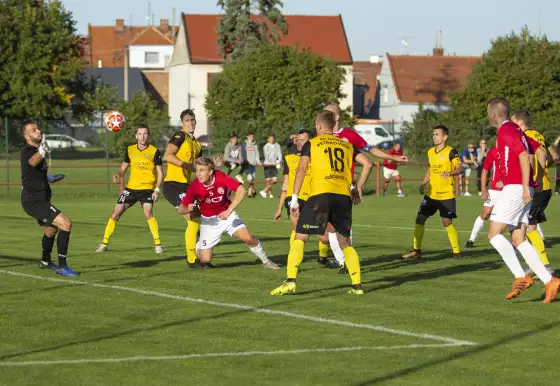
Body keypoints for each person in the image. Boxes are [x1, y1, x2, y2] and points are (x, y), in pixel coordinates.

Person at [271, 110, 373, 295]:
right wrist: (357, 188)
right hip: (343, 197)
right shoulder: (346, 145)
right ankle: (357, 286)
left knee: (300, 236)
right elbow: (368, 163)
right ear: (333, 125)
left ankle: (290, 280)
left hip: (320, 194)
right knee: (345, 242)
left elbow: (301, 170)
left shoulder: (313, 143)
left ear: (318, 126)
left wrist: (294, 198)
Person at [485, 97, 559, 303]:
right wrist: (537, 178)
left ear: (493, 115)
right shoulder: (519, 131)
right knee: (518, 238)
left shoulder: (506, 130)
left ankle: (520, 276)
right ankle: (549, 280)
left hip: (517, 187)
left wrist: (526, 185)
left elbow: (525, 155)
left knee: (493, 234)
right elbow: (541, 150)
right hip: (523, 187)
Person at [323, 104, 408, 272]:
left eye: (329, 113)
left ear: (337, 117)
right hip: (324, 186)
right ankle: (343, 261)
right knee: (330, 227)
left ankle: (347, 262)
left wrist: (392, 157)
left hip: (343, 186)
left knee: (342, 227)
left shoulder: (348, 136)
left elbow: (369, 153)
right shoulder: (321, 136)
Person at [178, 157, 280, 269]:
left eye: (202, 170)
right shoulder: (195, 186)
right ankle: (200, 243)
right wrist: (189, 208)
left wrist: (228, 210)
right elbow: (180, 209)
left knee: (248, 238)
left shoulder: (220, 176)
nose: (198, 174)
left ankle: (266, 262)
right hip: (209, 222)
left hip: (228, 216)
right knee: (205, 259)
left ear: (210, 172)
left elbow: (242, 191)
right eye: (197, 170)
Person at [19, 121, 78, 276]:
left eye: (38, 128)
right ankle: (63, 267)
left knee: (51, 230)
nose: (38, 131)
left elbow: (37, 172)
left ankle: (45, 261)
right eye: (33, 130)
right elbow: (33, 161)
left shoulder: (36, 151)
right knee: (66, 223)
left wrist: (51, 178)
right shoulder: (27, 150)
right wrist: (43, 151)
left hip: (39, 199)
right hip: (34, 200)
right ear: (27, 136)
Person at [273, 129, 338, 269]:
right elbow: (285, 183)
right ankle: (293, 263)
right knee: (299, 231)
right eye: (297, 139)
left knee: (325, 238)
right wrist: (279, 208)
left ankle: (323, 257)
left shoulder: (318, 157)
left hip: (314, 198)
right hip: (294, 198)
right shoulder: (289, 158)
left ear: (310, 141)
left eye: (302, 139)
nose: (298, 142)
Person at [96, 125, 164, 254]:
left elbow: (160, 173)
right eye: (140, 134)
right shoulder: (130, 150)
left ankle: (158, 244)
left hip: (147, 189)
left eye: (145, 134)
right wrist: (118, 174)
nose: (142, 136)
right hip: (131, 189)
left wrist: (156, 190)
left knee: (147, 213)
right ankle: (104, 244)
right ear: (136, 136)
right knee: (115, 214)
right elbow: (123, 168)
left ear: (148, 136)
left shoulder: (155, 151)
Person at [401, 125, 463, 260]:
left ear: (445, 137)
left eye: (437, 134)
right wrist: (423, 183)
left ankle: (456, 252)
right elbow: (430, 169)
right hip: (431, 194)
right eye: (433, 134)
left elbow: (460, 167)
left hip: (446, 195)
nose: (434, 136)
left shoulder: (451, 152)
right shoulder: (430, 152)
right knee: (419, 219)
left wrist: (451, 172)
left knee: (447, 222)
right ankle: (416, 251)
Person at [511, 109, 555, 274]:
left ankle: (544, 265)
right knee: (531, 226)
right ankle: (538, 264)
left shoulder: (526, 136)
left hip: (538, 188)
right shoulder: (538, 134)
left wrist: (537, 177)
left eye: (513, 122)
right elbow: (547, 154)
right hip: (542, 187)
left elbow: (542, 153)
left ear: (520, 123)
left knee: (528, 226)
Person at [162, 109, 203, 268]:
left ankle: (198, 251)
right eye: (187, 120)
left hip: (186, 186)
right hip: (173, 184)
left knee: (197, 219)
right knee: (192, 217)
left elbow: (200, 166)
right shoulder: (180, 136)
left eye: (192, 120)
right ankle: (192, 259)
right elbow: (167, 155)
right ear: (182, 123)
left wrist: (214, 164)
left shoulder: (197, 144)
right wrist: (188, 166)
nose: (191, 123)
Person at [465, 146, 499, 248]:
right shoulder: (493, 151)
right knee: (485, 214)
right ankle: (471, 240)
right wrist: (483, 189)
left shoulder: (514, 150)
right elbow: (485, 170)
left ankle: (517, 242)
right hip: (494, 190)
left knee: (510, 217)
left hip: (509, 190)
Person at [236, 133, 261, 197]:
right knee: (250, 178)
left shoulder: (255, 145)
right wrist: (244, 162)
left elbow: (257, 154)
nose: (251, 137)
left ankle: (251, 192)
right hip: (247, 164)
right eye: (250, 136)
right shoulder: (244, 145)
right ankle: (251, 192)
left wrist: (258, 162)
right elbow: (242, 154)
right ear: (247, 137)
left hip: (253, 164)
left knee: (252, 179)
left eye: (252, 136)